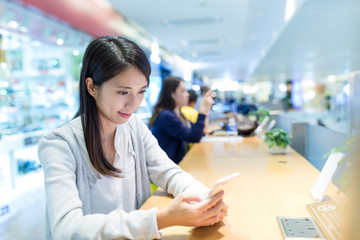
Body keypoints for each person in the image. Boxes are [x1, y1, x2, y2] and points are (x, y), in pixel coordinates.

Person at [38, 36, 227, 240]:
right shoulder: (59, 144)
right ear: (91, 87)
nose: (133, 104)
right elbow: (67, 229)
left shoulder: (134, 126)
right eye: (122, 92)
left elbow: (169, 173)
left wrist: (204, 197)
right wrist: (160, 219)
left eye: (141, 92)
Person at [149, 76, 214, 164]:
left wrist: (206, 109)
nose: (187, 94)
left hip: (176, 165)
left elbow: (199, 132)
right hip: (166, 169)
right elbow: (194, 137)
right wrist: (202, 110)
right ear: (172, 93)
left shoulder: (178, 113)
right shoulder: (167, 116)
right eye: (183, 91)